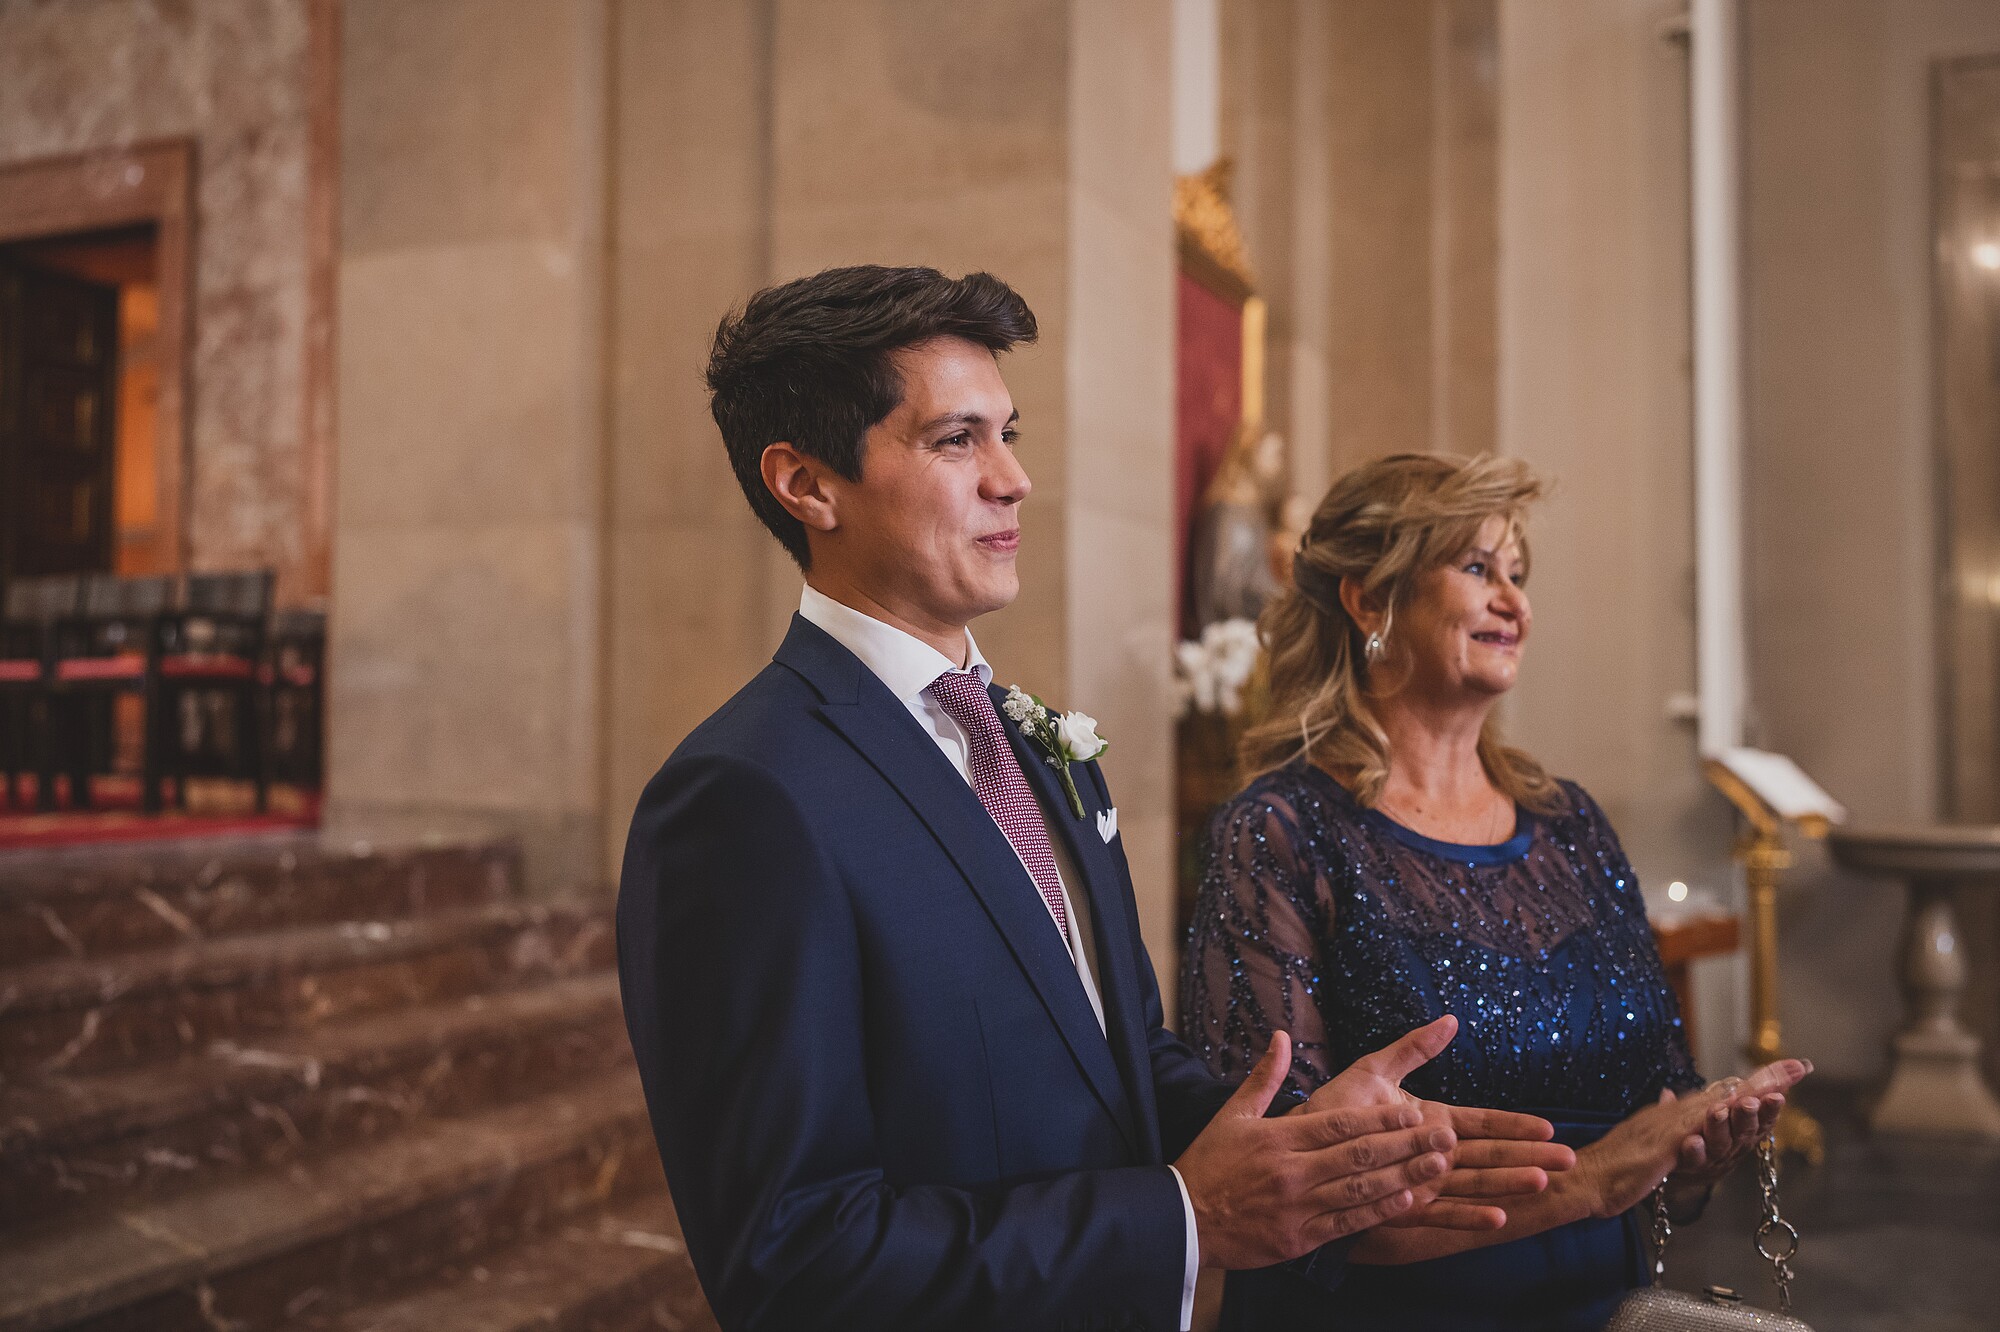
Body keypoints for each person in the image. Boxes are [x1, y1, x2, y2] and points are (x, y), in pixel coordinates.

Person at [615, 269, 1581, 1332]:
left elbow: (1120, 1060)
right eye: (956, 441)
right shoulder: (746, 797)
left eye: (1008, 433)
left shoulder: (1038, 745)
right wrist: (1183, 1219)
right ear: (806, 484)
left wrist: (1310, 1147)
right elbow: (793, 1258)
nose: (1014, 479)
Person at [1181, 453, 1813, 1331]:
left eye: (1518, 574)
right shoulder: (1281, 832)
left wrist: (1697, 1143)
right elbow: (1283, 1190)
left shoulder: (1569, 824)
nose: (1513, 601)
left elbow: (1663, 1090)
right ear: (1369, 600)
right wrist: (1591, 1181)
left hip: (1603, 1304)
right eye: (1477, 568)